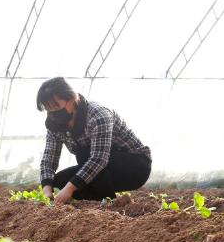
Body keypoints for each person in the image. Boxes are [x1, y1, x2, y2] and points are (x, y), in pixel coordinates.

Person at [36, 77, 152, 205]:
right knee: (60, 180)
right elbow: (48, 160)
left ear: (72, 98)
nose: (53, 113)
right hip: (104, 169)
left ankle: (109, 201)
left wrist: (69, 189)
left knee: (84, 155)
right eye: (48, 109)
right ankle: (101, 200)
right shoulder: (56, 124)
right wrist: (47, 192)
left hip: (134, 166)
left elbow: (98, 159)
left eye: (56, 106)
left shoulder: (98, 115)